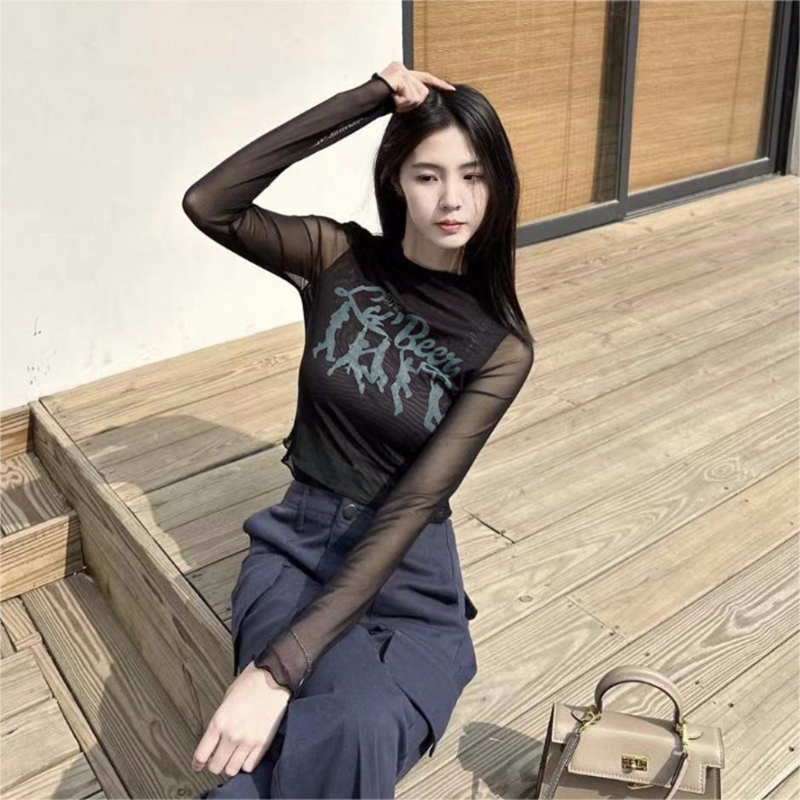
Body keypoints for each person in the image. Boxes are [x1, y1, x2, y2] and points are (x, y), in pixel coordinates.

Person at [182, 60, 536, 799]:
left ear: (496, 186)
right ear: (397, 181)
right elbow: (210, 203)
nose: (453, 199)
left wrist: (277, 672)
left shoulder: (500, 349)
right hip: (300, 552)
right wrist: (372, 97)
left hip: (409, 573)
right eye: (428, 175)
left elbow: (413, 504)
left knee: (349, 728)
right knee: (355, 729)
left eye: (473, 177)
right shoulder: (336, 258)